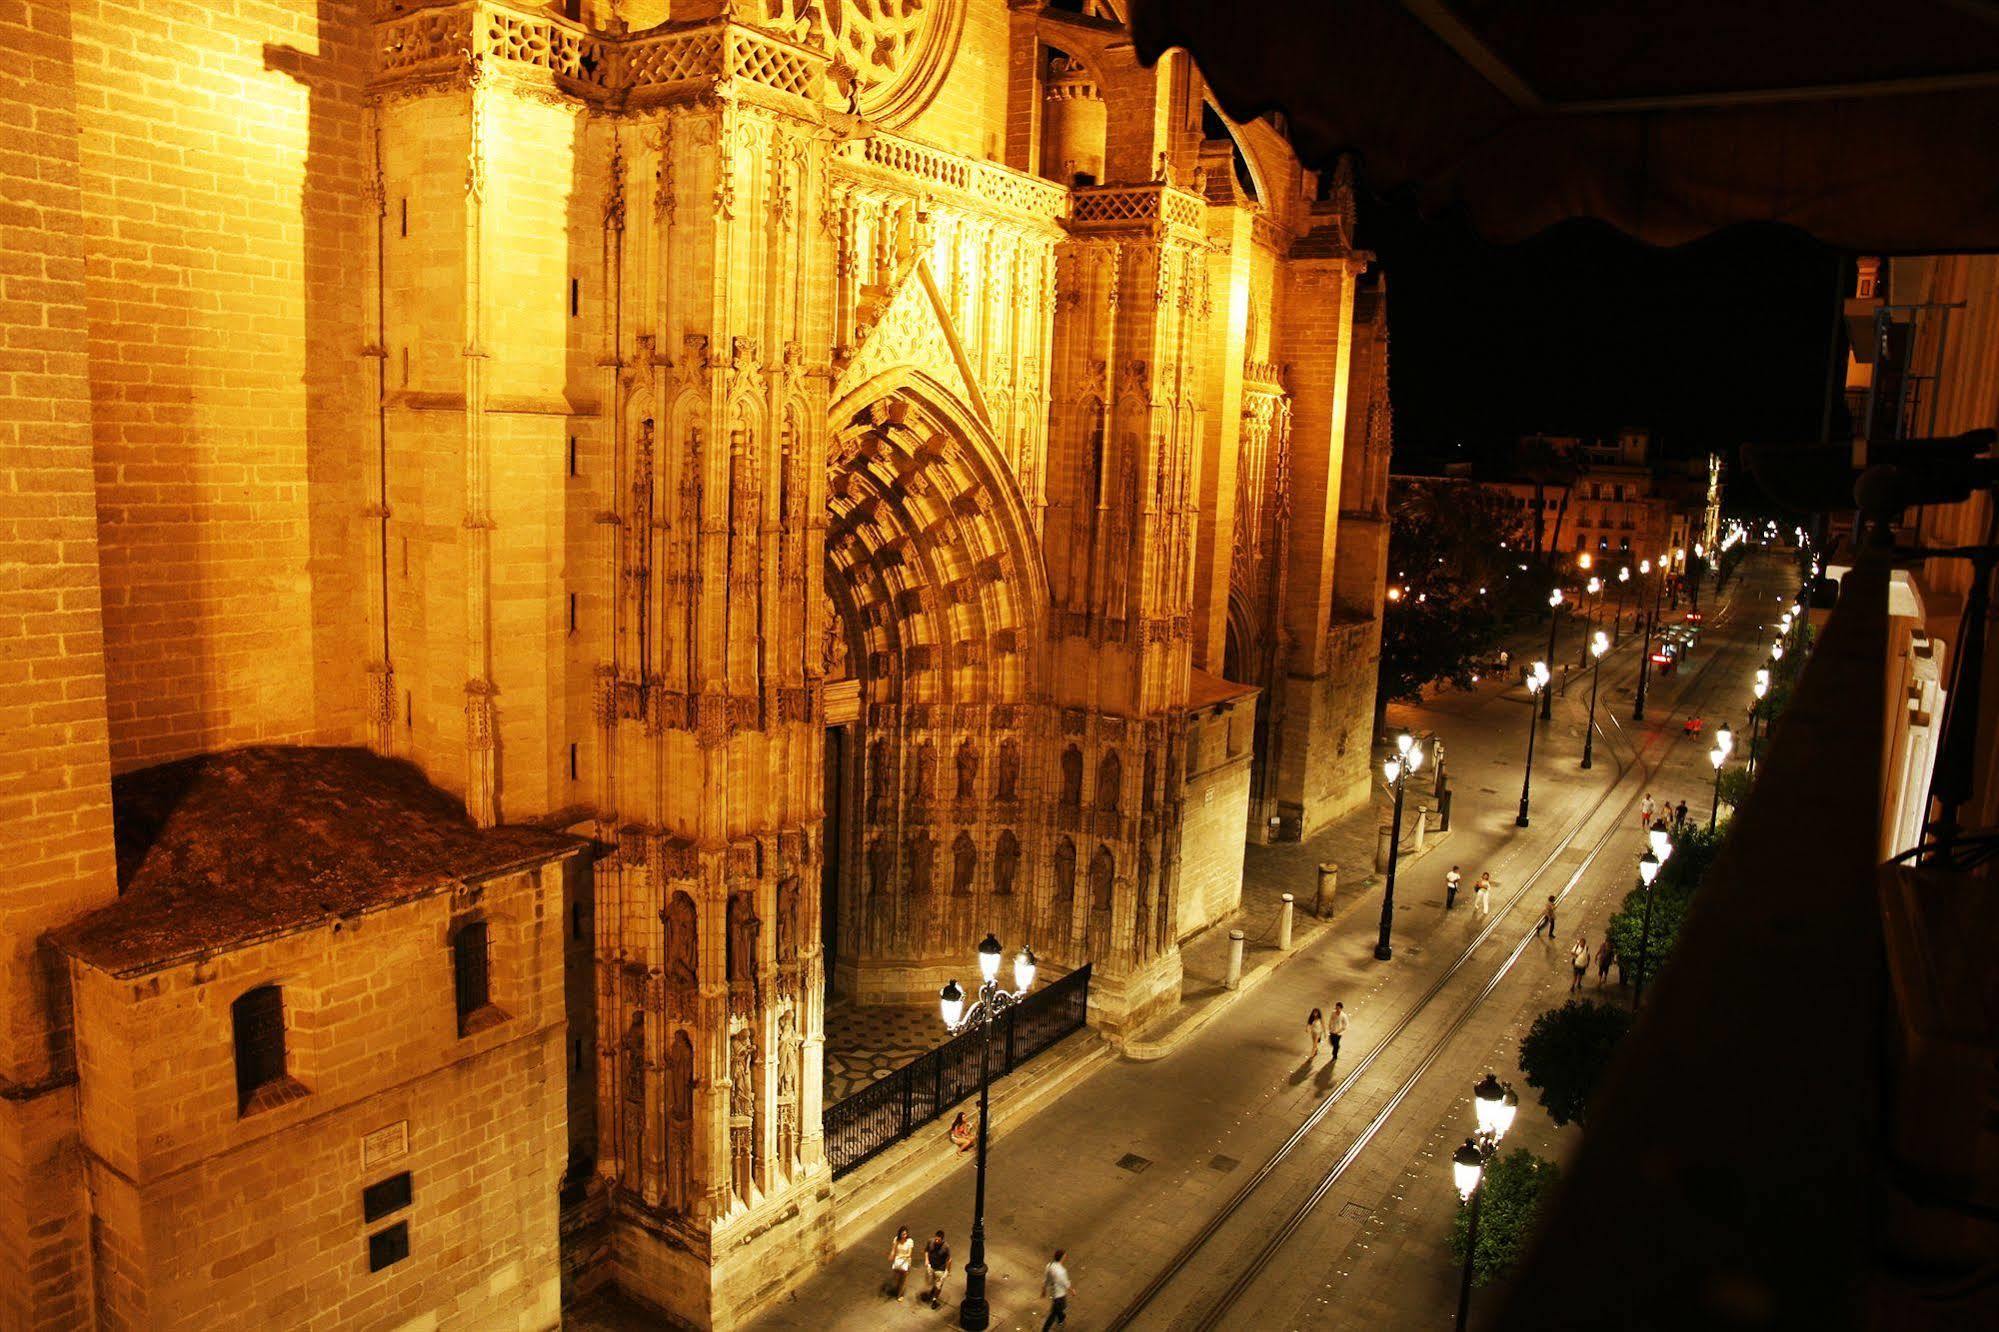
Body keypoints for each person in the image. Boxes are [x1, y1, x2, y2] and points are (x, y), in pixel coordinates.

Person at [1041, 1248, 1072, 1330]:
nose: (1065, 1257)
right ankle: (1045, 1329)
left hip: (1054, 1294)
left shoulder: (1049, 1266)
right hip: (1060, 1295)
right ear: (1062, 1258)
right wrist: (1072, 1290)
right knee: (1053, 1313)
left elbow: (1046, 1279)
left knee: (1059, 1308)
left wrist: (1044, 1289)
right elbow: (1066, 1283)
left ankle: (1061, 1317)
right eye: (1065, 1256)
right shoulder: (1061, 1271)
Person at [922, 1230, 951, 1309]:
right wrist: (926, 1260)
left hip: (940, 1269)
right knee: (931, 1281)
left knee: (939, 1286)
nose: (937, 1241)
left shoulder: (946, 1247)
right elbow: (926, 1251)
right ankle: (933, 1290)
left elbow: (949, 1259)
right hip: (931, 1266)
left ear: (942, 1240)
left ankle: (934, 1300)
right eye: (936, 1239)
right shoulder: (930, 1241)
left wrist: (947, 1271)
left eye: (938, 1240)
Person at [886, 1225, 915, 1300]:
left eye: (905, 1234)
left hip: (905, 1261)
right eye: (903, 1234)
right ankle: (897, 1289)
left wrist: (901, 1256)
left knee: (903, 1279)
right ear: (899, 1234)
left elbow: (909, 1254)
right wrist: (891, 1255)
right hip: (898, 1260)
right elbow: (893, 1249)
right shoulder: (896, 1239)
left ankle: (899, 1295)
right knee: (896, 1278)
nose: (904, 1236)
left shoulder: (910, 1241)